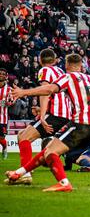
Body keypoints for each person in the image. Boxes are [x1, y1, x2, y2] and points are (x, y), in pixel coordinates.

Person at [6, 53, 90, 192]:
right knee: (49, 151)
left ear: (67, 65)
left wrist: (23, 92)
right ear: (81, 66)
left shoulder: (68, 77)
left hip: (82, 124)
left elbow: (49, 89)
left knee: (50, 152)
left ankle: (63, 183)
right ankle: (19, 173)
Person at [9, 49, 71, 186]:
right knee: (22, 135)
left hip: (54, 114)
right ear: (55, 60)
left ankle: (24, 174)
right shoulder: (61, 72)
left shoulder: (45, 70)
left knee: (24, 137)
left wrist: (42, 115)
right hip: (65, 115)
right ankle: (26, 171)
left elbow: (45, 92)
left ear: (40, 60)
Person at [0, 68, 14, 159]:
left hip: (2, 118)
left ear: (6, 76)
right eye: (0, 73)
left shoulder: (9, 89)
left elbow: (12, 102)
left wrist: (7, 103)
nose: (1, 75)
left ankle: (4, 148)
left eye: (3, 74)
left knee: (1, 139)